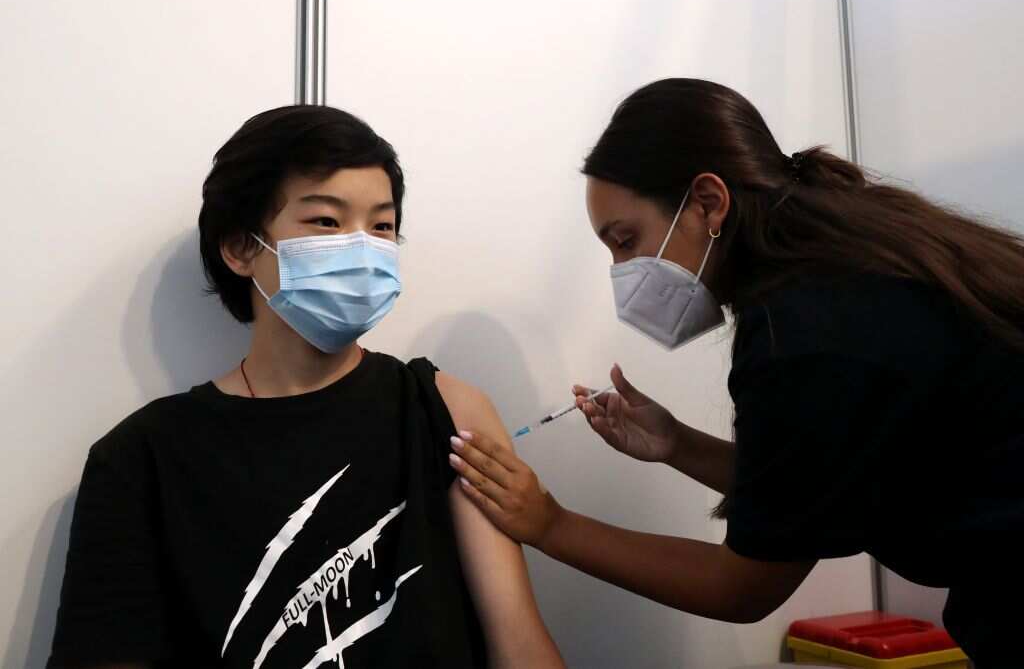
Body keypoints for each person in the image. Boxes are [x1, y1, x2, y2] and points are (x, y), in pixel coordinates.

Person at [448, 78, 1024, 668]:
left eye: (627, 241)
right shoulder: (850, 258)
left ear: (707, 202)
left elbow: (742, 587)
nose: (622, 272)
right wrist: (677, 444)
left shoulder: (804, 329)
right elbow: (810, 488)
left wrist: (549, 524)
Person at [47, 106, 564, 669]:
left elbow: (519, 645)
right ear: (241, 248)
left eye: (383, 226)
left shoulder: (444, 409)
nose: (362, 248)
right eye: (326, 222)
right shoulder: (140, 459)